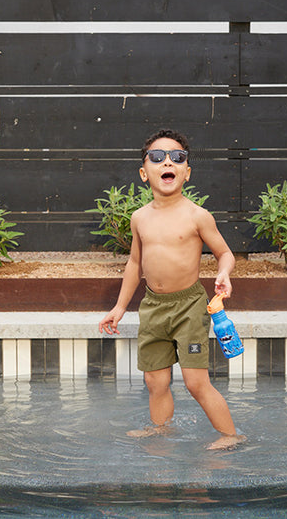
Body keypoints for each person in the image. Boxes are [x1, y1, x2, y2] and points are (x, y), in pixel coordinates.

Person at [98, 128, 245, 449]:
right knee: (155, 380)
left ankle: (231, 436)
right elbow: (135, 265)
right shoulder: (139, 218)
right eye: (157, 157)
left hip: (189, 306)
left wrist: (224, 273)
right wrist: (120, 307)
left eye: (178, 158)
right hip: (153, 306)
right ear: (143, 172)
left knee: (195, 382)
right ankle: (161, 429)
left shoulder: (197, 216)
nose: (169, 162)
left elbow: (225, 253)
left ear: (187, 172)